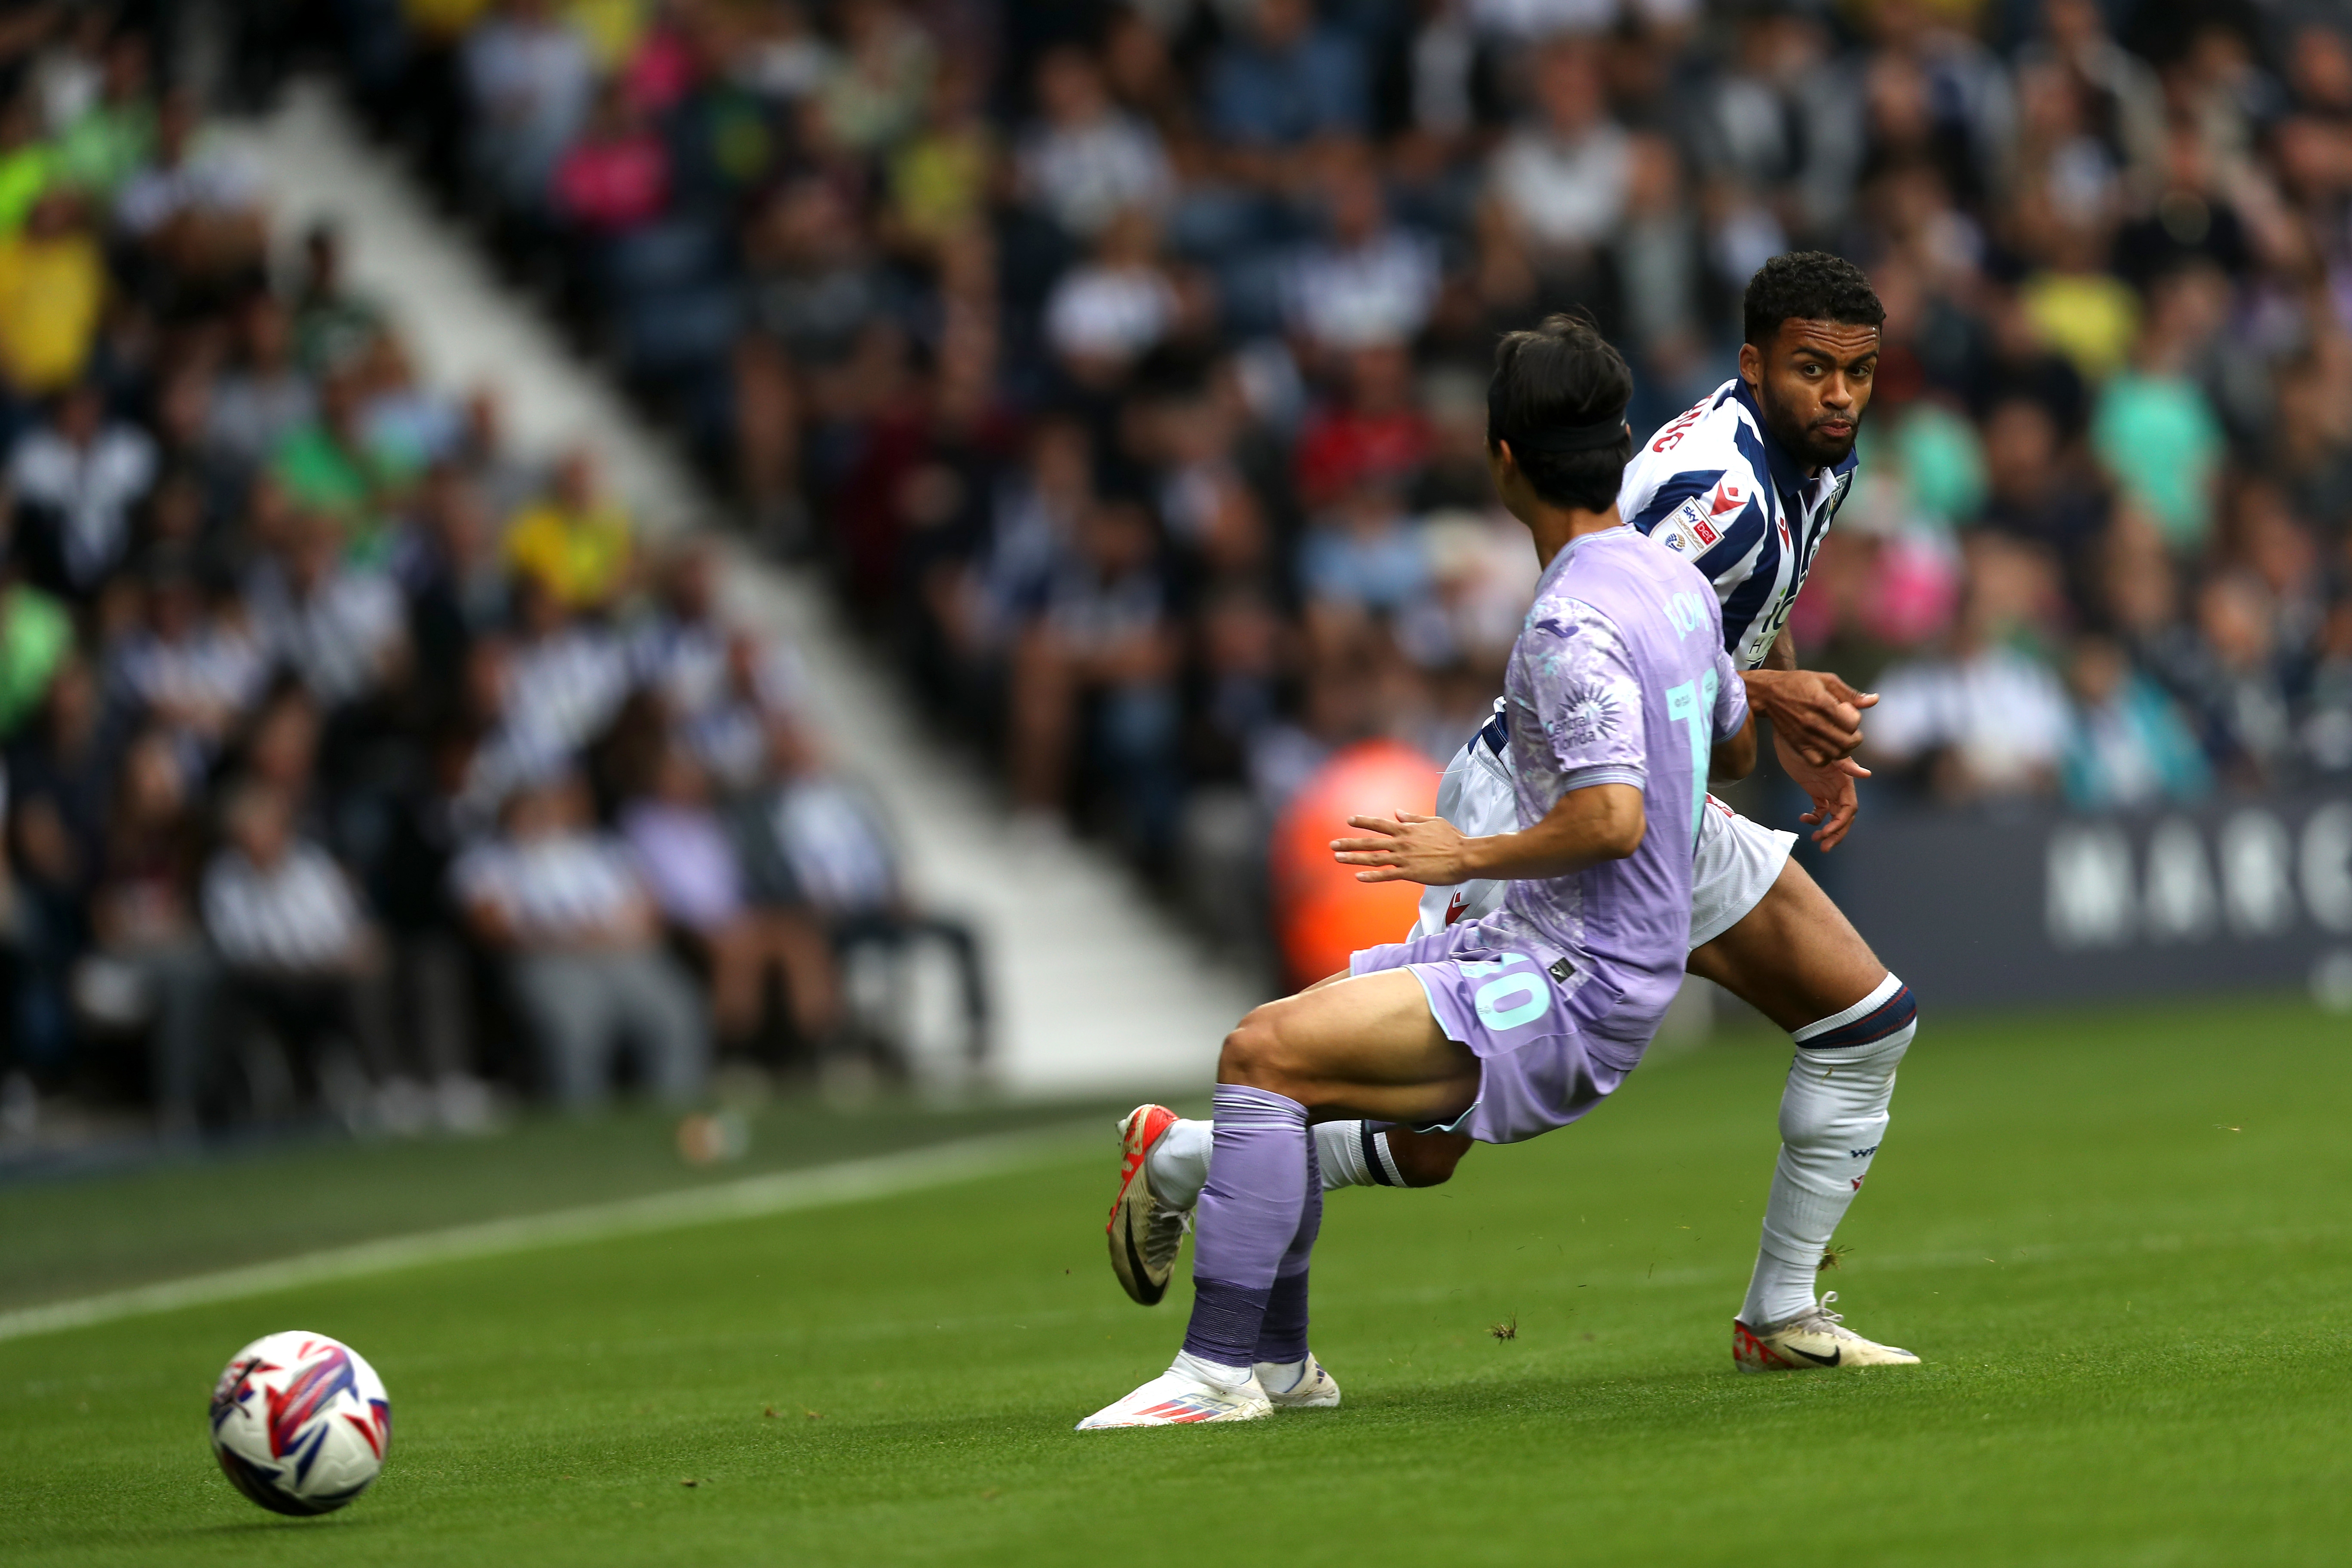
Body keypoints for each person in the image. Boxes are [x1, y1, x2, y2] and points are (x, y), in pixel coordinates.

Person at [1113, 255, 1926, 1381]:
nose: (1840, 395)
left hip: (1657, 802)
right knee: (1428, 1131)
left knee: (1864, 1021)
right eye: (1814, 371)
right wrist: (1777, 703)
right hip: (1554, 799)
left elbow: (1744, 613)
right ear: (1754, 366)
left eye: (1859, 374)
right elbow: (1636, 617)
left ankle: (1779, 1316)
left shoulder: (1819, 462)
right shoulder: (1708, 486)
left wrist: (1787, 704)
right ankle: (1199, 1163)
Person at [1078, 315, 1757, 1428]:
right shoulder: (1670, 581)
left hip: (1571, 977)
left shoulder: (1568, 619)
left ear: (1501, 461)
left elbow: (1615, 817)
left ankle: (1213, 1376)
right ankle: (1285, 1368)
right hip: (1574, 954)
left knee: (1258, 1054)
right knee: (1286, 1060)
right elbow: (1733, 737)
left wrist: (1464, 852)